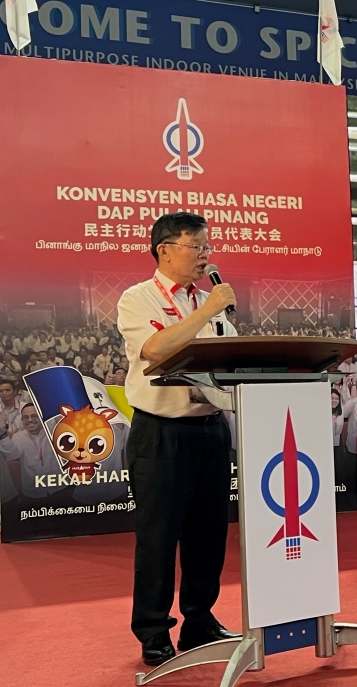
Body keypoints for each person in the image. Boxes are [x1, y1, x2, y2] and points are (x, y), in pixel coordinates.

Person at [116, 212, 238, 667]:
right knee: (158, 535)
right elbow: (155, 350)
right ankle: (152, 627)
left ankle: (199, 619)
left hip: (209, 429)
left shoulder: (210, 300)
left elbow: (230, 360)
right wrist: (207, 311)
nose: (206, 254)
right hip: (161, 431)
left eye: (208, 246)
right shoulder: (138, 297)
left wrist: (214, 312)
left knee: (208, 534)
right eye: (197, 246)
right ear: (165, 249)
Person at [0, 403, 63, 499]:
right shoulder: (18, 436)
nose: (29, 420)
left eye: (34, 416)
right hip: (32, 493)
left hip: (60, 489)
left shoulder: (54, 431)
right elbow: (12, 455)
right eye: (25, 417)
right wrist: (3, 433)